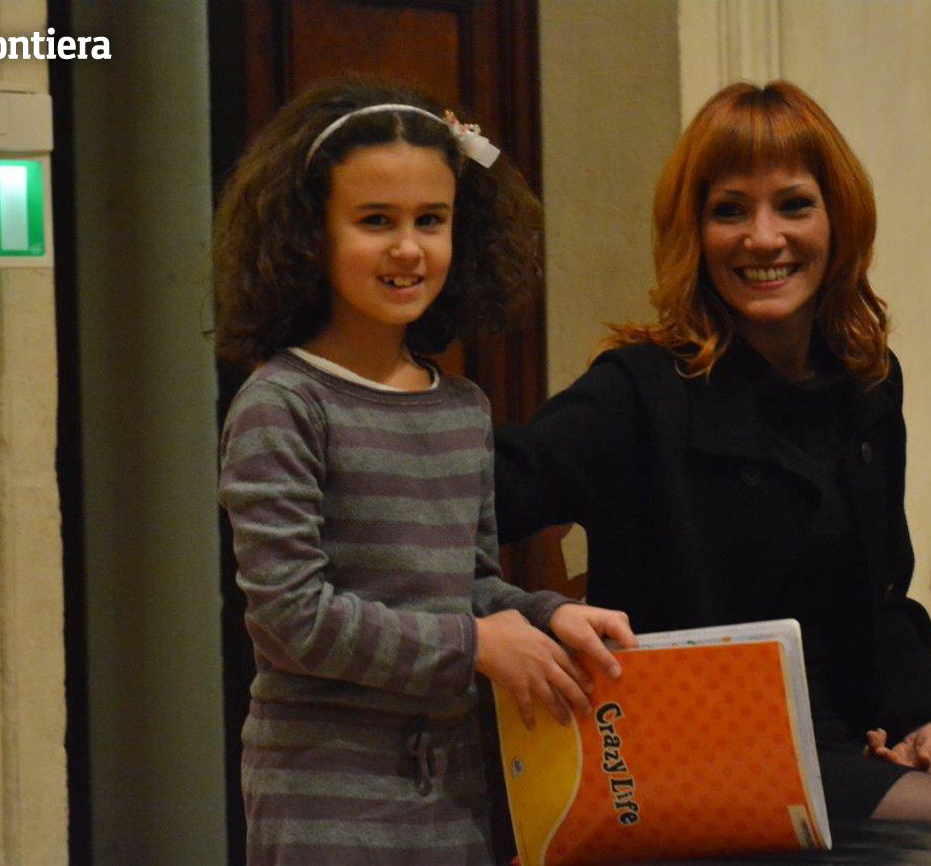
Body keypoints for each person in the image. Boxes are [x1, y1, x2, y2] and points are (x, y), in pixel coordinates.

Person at [494, 81, 931, 864]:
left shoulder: (866, 383)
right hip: (703, 764)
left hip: (845, 745)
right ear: (694, 232)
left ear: (838, 221)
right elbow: (477, 498)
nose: (764, 239)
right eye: (730, 210)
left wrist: (928, 715)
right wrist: (519, 615)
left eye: (793, 205)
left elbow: (883, 599)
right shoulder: (638, 392)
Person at [212, 76, 635, 865]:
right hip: (324, 801)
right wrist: (473, 647)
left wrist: (546, 615)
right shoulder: (283, 404)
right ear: (309, 234)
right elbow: (292, 619)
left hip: (454, 795)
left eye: (430, 221)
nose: (408, 248)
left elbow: (466, 586)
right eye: (376, 220)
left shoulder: (461, 407)